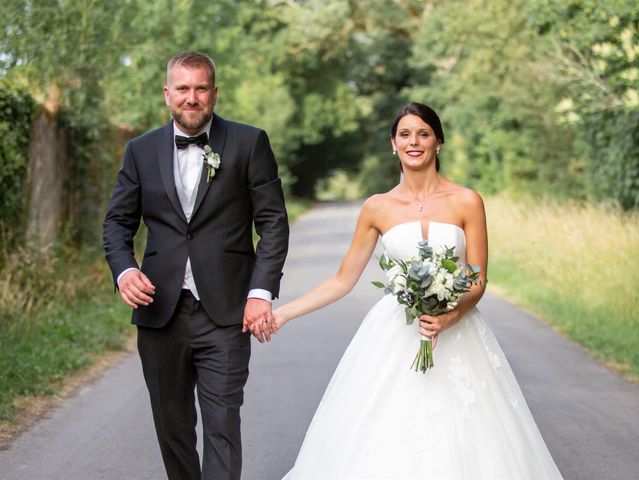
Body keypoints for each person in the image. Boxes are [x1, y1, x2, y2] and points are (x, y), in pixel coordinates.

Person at [273, 103, 563, 479]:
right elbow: (342, 280)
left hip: (459, 334)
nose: (414, 142)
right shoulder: (377, 207)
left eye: (423, 134)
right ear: (393, 144)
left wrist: (451, 315)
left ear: (437, 142)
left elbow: (477, 279)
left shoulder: (467, 201)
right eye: (405, 134)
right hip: (395, 334)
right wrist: (283, 313)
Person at [103, 51, 288, 480]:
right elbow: (117, 223)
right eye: (182, 88)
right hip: (159, 312)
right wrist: (124, 270)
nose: (192, 98)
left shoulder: (248, 142)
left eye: (200, 88)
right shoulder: (140, 150)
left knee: (222, 426)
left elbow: (274, 224)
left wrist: (260, 293)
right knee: (173, 430)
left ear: (214, 93)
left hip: (226, 312)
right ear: (167, 94)